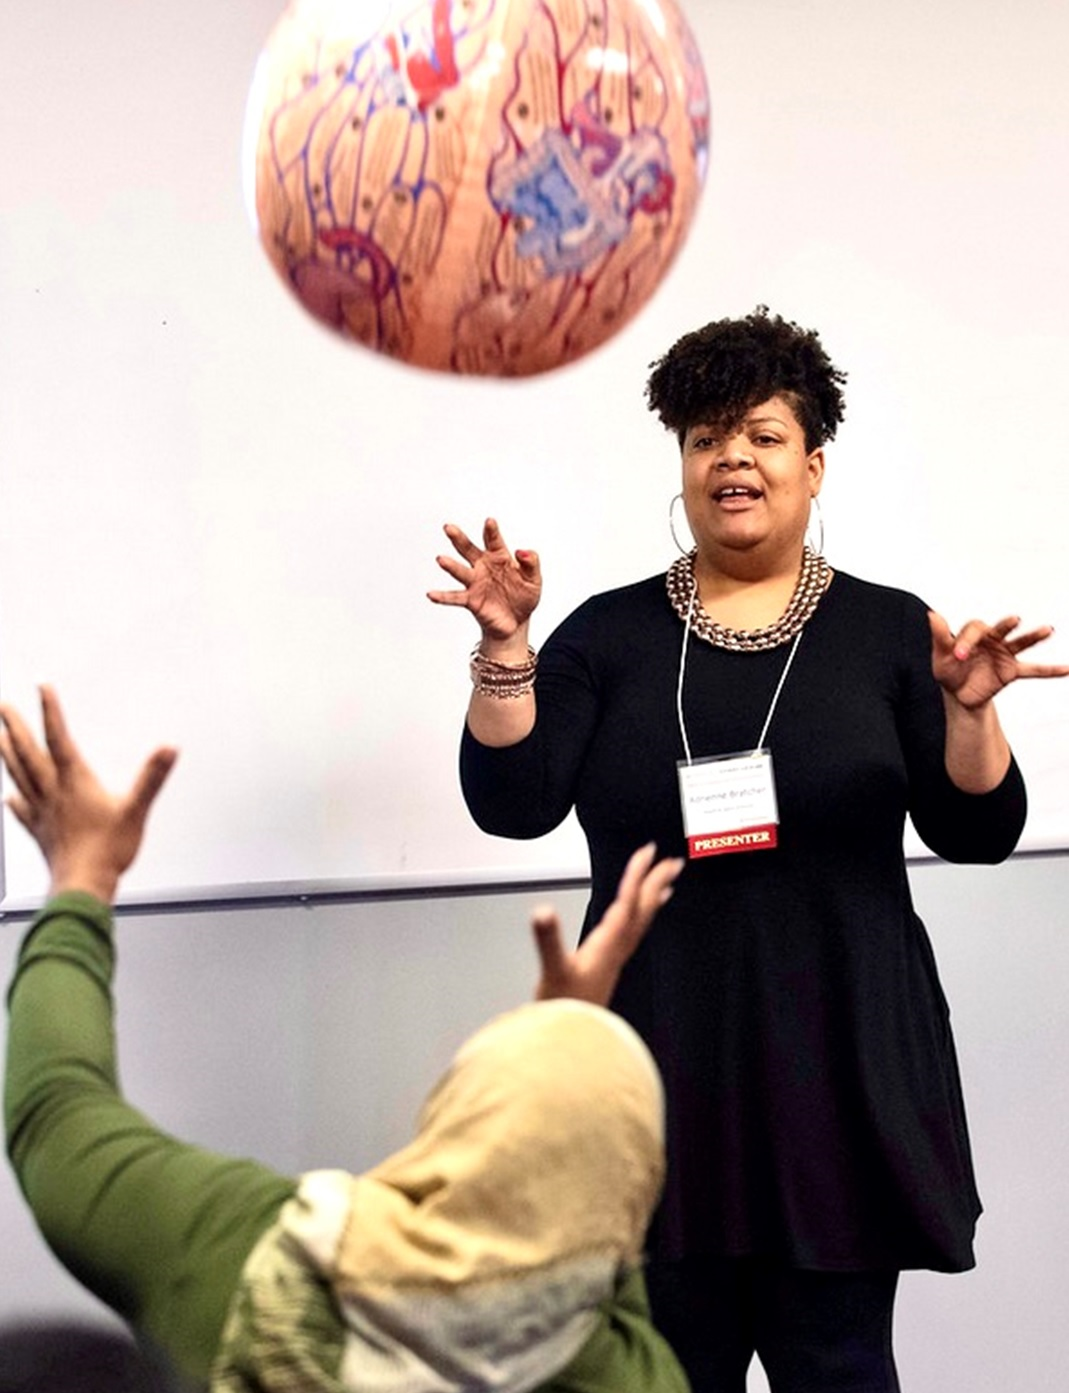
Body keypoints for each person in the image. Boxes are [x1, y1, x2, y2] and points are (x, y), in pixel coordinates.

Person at [428, 306, 1069, 1393]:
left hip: (840, 1063)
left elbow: (977, 832)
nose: (733, 456)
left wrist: (969, 713)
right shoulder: (606, 634)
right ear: (681, 466)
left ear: (813, 467)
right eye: (706, 437)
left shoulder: (886, 630)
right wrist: (506, 653)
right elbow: (515, 802)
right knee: (664, 1372)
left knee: (839, 1364)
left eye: (764, 436)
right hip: (654, 1062)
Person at [1, 686, 687, 1393]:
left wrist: (81, 878)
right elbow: (599, 1229)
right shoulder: (629, 1371)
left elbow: (57, 1112)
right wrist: (572, 1062)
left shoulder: (247, 1255)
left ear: (453, 1109)